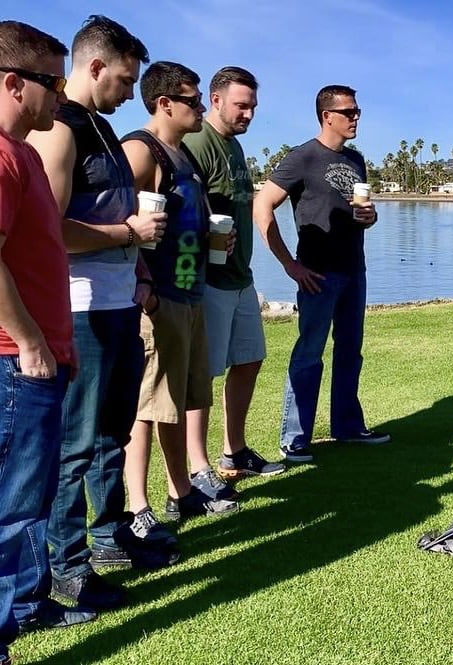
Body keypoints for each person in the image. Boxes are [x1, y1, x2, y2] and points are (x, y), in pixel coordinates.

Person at [26, 15, 178, 615]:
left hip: (118, 303)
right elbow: (49, 230)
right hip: (80, 307)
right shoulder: (61, 129)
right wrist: (126, 230)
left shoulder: (105, 129)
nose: (127, 90)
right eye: (123, 78)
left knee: (114, 432)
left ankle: (109, 539)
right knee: (78, 443)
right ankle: (66, 568)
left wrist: (138, 267)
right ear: (94, 67)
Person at [0, 20, 96, 665]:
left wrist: (58, 342)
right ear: (14, 83)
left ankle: (29, 604)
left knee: (29, 500)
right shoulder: (3, 156)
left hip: (43, 353)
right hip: (14, 362)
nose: (61, 97)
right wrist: (31, 342)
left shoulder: (28, 153)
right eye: (52, 82)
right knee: (13, 505)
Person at [122, 61, 238, 523]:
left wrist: (216, 240)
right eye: (191, 100)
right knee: (146, 407)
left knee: (180, 401)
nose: (198, 108)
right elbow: (122, 220)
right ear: (164, 103)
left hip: (190, 295)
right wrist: (142, 291)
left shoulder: (182, 155)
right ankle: (138, 508)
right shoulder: (141, 150)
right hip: (159, 298)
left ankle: (181, 492)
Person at [254, 84, 388, 463]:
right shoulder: (302, 158)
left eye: (357, 111)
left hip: (353, 271)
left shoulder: (356, 161)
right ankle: (294, 440)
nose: (356, 117)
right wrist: (289, 264)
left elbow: (362, 216)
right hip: (317, 274)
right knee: (310, 353)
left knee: (350, 351)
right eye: (348, 112)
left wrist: (370, 216)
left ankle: (347, 427)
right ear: (327, 116)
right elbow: (262, 206)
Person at [183, 67, 284, 481]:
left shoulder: (234, 148)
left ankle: (234, 451)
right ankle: (198, 466)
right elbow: (185, 208)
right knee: (204, 373)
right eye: (242, 105)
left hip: (241, 277)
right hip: (210, 280)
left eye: (253, 107)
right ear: (216, 99)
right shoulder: (198, 143)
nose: (248, 114)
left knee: (250, 359)